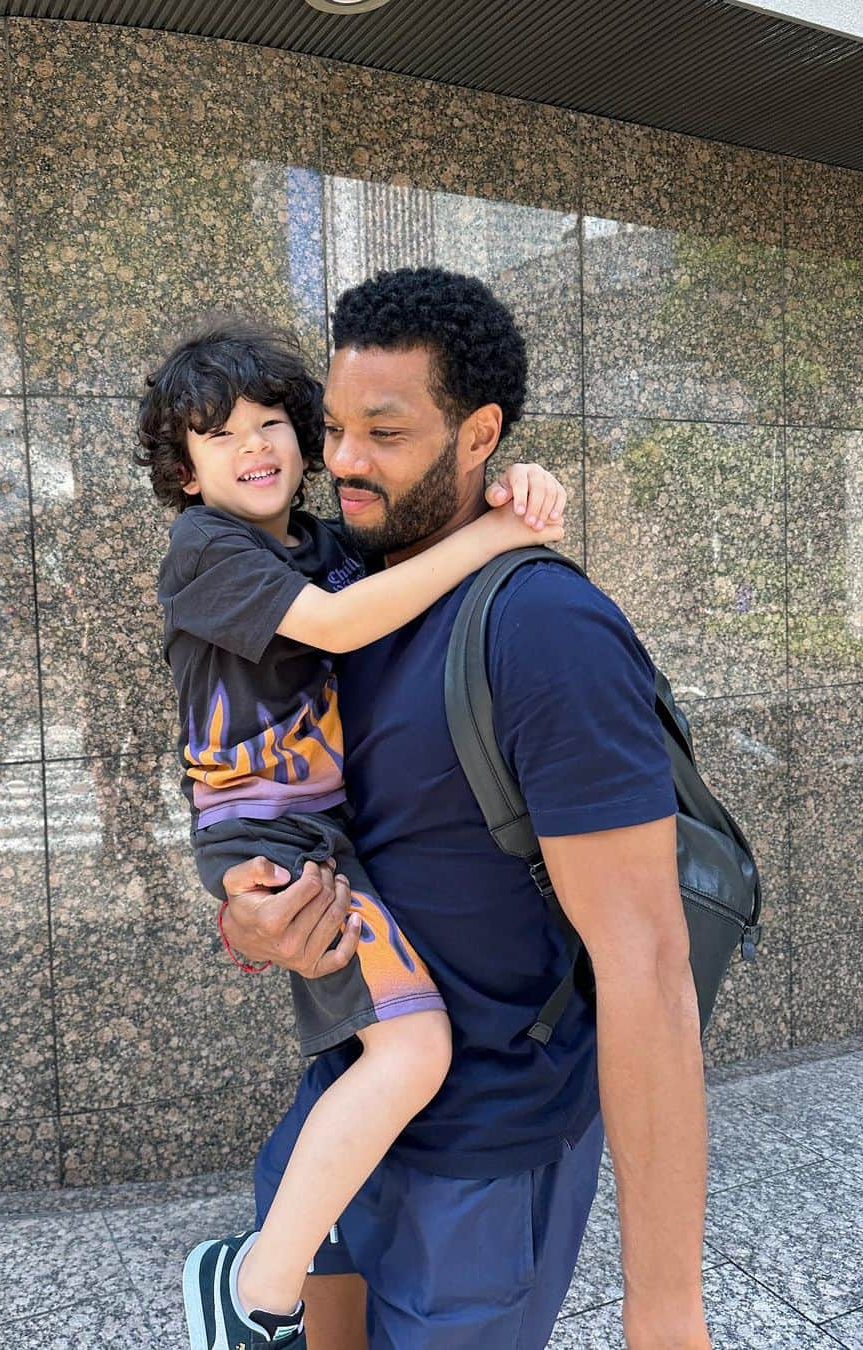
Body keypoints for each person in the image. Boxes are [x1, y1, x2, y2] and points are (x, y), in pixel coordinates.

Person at [218, 269, 712, 1350]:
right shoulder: (330, 583)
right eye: (335, 426)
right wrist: (249, 918)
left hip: (483, 1160)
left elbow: (649, 969)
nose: (343, 459)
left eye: (385, 432)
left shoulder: (545, 631)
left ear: (478, 432)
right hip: (342, 1108)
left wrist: (666, 1308)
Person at [137, 319, 569, 1349]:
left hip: (320, 835)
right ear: (186, 474)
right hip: (270, 838)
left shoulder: (317, 542)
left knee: (403, 1049)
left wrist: (513, 487)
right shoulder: (207, 552)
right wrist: (500, 536)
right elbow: (340, 626)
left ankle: (264, 1277)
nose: (258, 445)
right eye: (219, 434)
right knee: (414, 1050)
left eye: (274, 421)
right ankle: (252, 1293)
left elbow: (406, 559)